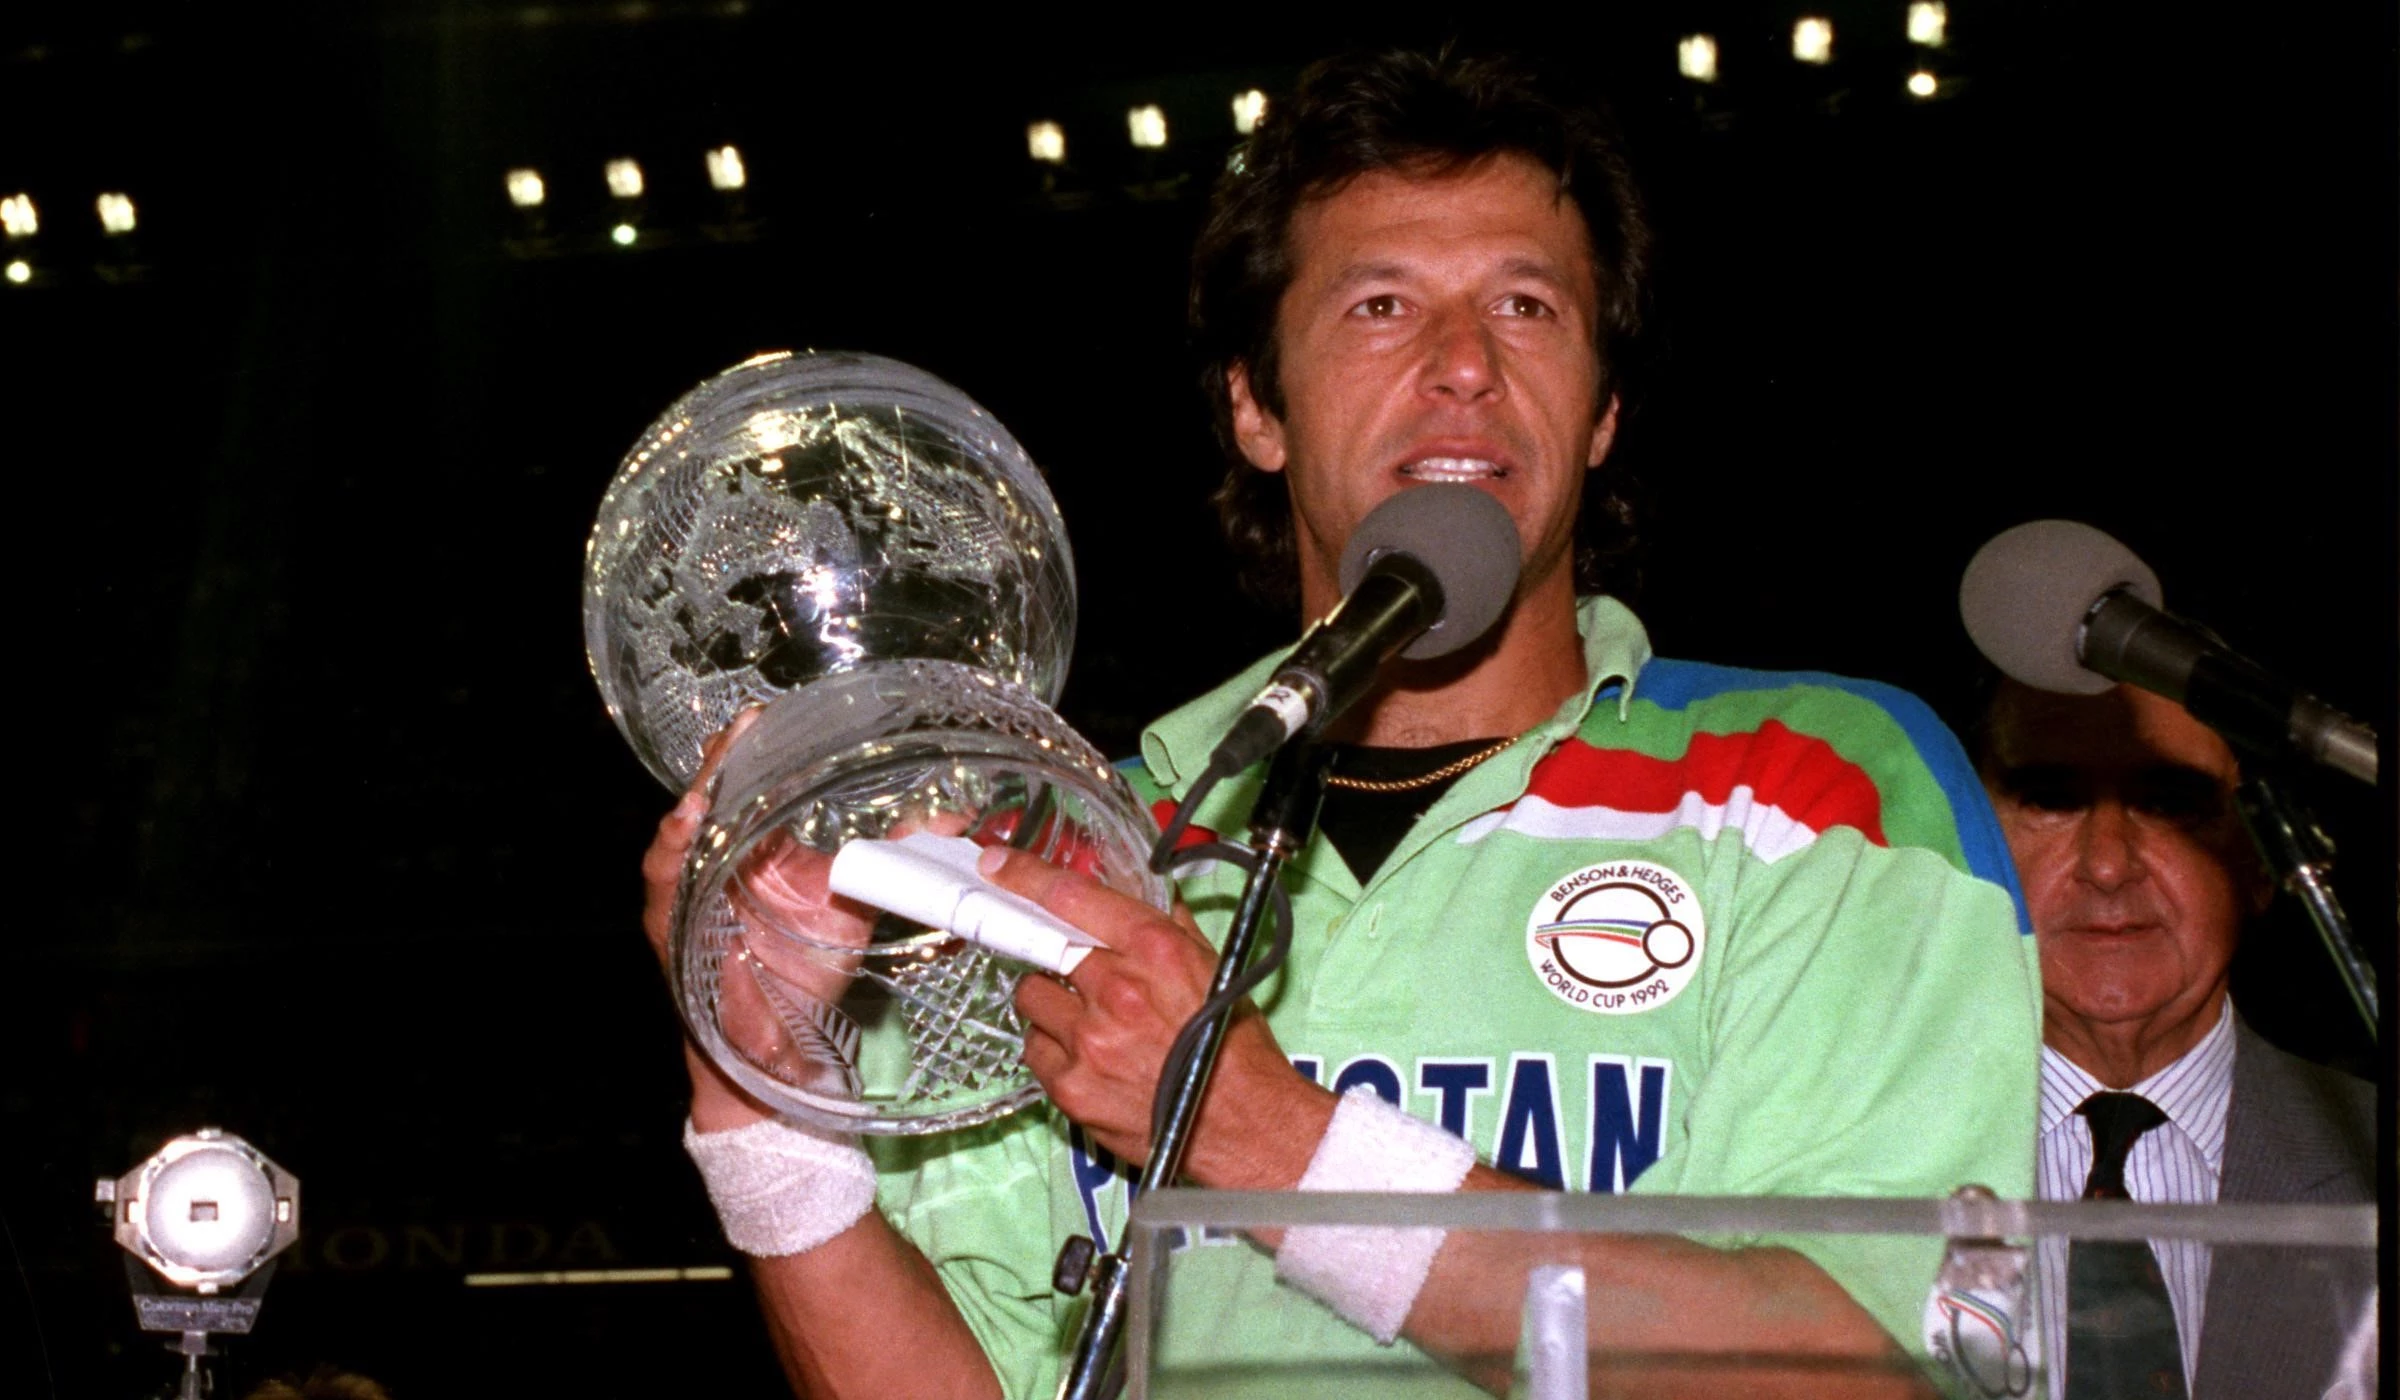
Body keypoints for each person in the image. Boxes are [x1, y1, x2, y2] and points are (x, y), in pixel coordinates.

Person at [644, 49, 2041, 1398]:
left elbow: (1880, 1377)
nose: (1463, 365)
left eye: (1528, 306)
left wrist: (1261, 1136)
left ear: (1603, 412)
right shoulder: (1069, 846)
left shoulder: (1819, 782)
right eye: (1380, 306)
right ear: (1257, 406)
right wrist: (762, 1098)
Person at [1976, 677, 2377, 1400]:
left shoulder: (2374, 1160)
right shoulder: (1833, 1157)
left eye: (2168, 804)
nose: (2107, 864)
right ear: (1972, 844)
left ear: (2262, 862)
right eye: (2052, 799)